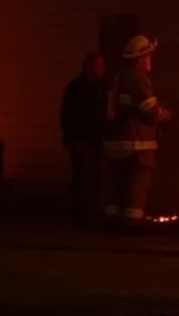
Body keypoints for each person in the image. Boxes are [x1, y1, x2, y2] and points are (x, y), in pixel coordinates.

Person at [103, 34, 173, 230]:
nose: (150, 59)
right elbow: (150, 112)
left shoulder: (117, 77)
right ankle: (132, 225)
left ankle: (112, 223)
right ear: (141, 58)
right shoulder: (138, 78)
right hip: (136, 145)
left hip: (114, 143)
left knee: (116, 188)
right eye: (149, 55)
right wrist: (167, 115)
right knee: (137, 186)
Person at [59, 50, 108, 227]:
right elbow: (67, 117)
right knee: (83, 180)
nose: (102, 68)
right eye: (99, 64)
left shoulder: (101, 88)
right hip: (82, 142)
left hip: (96, 142)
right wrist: (74, 141)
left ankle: (92, 214)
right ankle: (82, 217)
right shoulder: (76, 89)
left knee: (96, 180)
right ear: (89, 66)